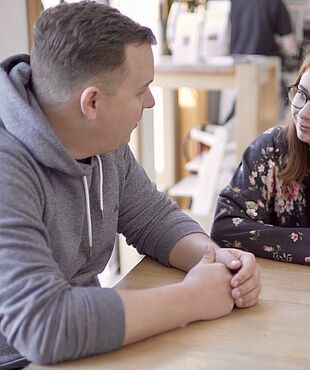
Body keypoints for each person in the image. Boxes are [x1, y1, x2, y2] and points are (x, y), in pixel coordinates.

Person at [0, 2, 262, 368]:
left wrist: (215, 260)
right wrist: (192, 299)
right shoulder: (7, 168)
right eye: (141, 91)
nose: (152, 101)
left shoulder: (104, 144)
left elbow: (153, 218)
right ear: (91, 102)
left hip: (81, 346)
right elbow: (44, 325)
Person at [211, 41, 310, 271]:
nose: (303, 113)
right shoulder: (271, 147)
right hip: (281, 291)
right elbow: (225, 228)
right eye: (301, 94)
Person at [230, 0, 297, 60]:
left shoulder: (232, 2)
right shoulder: (275, 2)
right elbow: (289, 45)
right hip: (266, 65)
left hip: (235, 64)